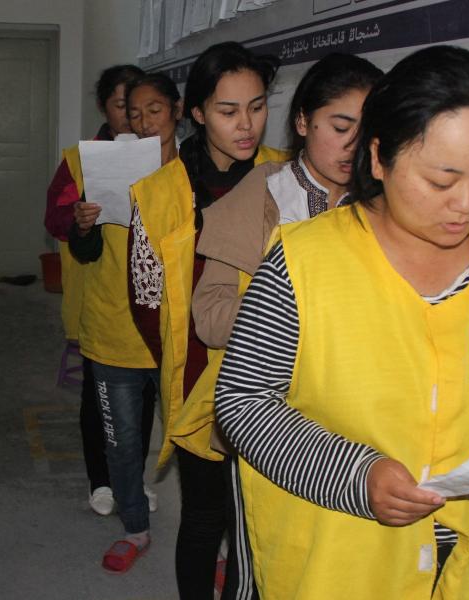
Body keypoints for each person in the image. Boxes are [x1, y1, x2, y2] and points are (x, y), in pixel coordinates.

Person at [215, 45, 469, 599]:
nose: (467, 204)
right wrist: (357, 474)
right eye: (441, 180)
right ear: (378, 158)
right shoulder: (305, 261)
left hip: (463, 560)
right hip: (338, 560)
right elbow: (243, 402)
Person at [127, 42, 287, 598]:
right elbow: (146, 301)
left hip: (277, 379)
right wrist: (183, 362)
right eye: (228, 110)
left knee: (255, 523)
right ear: (195, 112)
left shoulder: (287, 178)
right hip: (198, 378)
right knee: (204, 516)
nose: (247, 125)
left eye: (258, 106)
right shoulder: (157, 193)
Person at [67, 72, 184, 573]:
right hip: (115, 329)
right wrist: (84, 226)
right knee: (122, 439)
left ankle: (212, 535)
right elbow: (87, 251)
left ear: (178, 111)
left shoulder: (195, 170)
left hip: (178, 332)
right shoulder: (108, 165)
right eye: (133, 113)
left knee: (195, 437)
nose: (143, 122)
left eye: (154, 110)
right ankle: (134, 528)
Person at [192, 53, 382, 351]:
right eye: (341, 129)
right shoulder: (264, 192)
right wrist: (287, 296)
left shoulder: (384, 201)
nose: (353, 147)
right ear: (303, 121)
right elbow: (210, 322)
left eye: (367, 131)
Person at [44, 64, 157, 517]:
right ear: (102, 108)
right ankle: (102, 480)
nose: (131, 118)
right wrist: (80, 215)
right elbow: (54, 220)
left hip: (146, 300)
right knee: (101, 397)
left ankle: (132, 479)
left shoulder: (164, 159)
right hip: (99, 297)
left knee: (145, 396)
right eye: (120, 106)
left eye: (139, 109)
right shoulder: (79, 158)